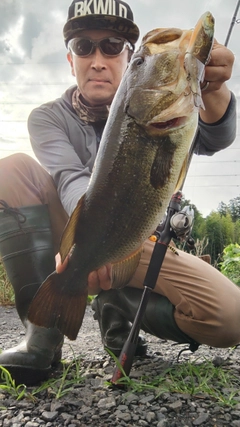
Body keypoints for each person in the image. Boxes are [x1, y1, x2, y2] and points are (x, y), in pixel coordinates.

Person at [0, 0, 239, 386]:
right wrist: (88, 247)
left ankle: (119, 306)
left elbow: (216, 135)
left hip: (138, 237)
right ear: (70, 59)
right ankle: (42, 337)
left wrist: (212, 87)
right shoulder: (46, 117)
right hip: (79, 234)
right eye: (84, 46)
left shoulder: (172, 108)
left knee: (230, 318)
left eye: (112, 46)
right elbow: (68, 178)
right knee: (10, 170)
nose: (97, 59)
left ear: (128, 60)